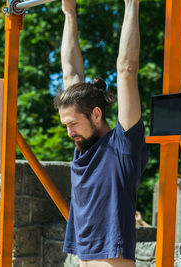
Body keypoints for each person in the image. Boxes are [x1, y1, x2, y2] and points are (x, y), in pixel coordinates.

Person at [54, 0, 149, 265]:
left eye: (73, 123)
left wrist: (132, 5)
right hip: (86, 257)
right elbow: (70, 73)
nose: (69, 131)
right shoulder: (84, 143)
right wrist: (69, 13)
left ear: (97, 114)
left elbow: (127, 70)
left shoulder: (122, 147)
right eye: (66, 125)